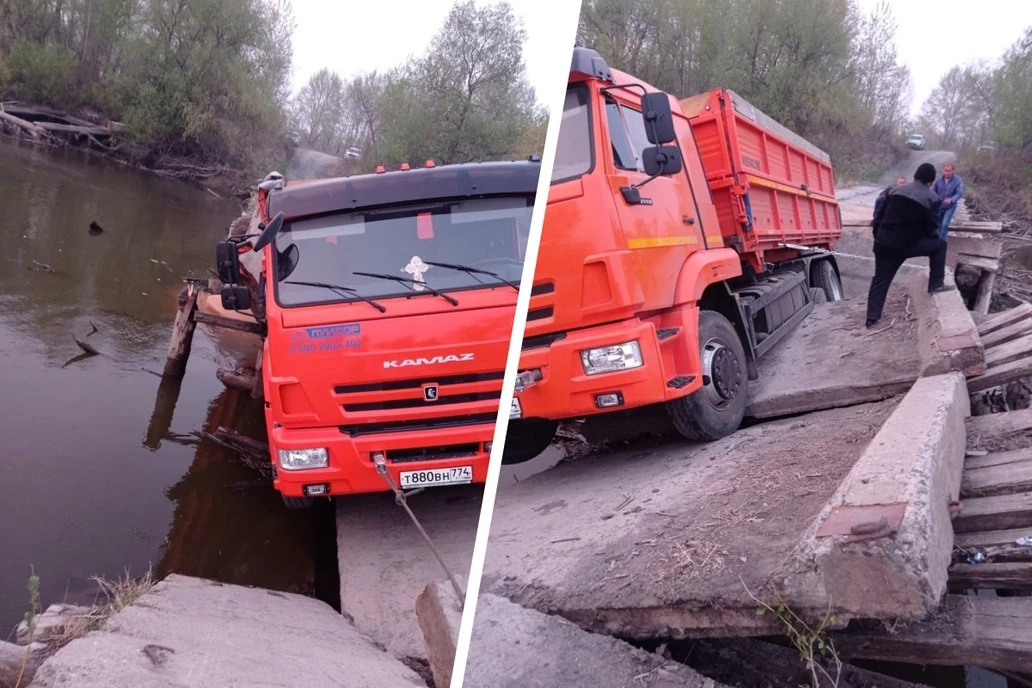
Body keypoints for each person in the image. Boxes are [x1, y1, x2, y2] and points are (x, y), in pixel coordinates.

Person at [866, 163, 954, 328]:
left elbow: (878, 216)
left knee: (880, 279)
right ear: (931, 181)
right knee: (940, 245)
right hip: (907, 245)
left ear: (915, 176)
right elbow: (933, 228)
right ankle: (936, 285)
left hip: (883, 243)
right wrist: (925, 237)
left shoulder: (893, 190)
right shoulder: (932, 198)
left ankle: (872, 318)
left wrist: (878, 236)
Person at [933, 162, 964, 240]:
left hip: (950, 207)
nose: (947, 172)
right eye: (945, 170)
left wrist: (952, 199)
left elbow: (959, 193)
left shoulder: (957, 181)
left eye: (949, 171)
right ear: (943, 171)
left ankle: (942, 244)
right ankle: (937, 242)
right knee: (938, 225)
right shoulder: (938, 181)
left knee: (944, 225)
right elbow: (933, 193)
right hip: (940, 206)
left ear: (952, 171)